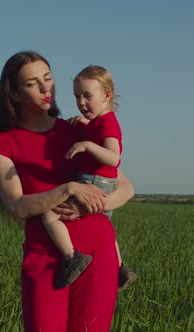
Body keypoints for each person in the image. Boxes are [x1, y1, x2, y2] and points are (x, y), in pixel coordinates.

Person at [0, 51, 135, 331]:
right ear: (14, 94)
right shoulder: (3, 143)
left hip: (98, 251)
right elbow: (17, 206)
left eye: (48, 78)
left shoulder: (79, 131)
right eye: (32, 83)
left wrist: (95, 203)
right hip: (45, 258)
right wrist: (69, 189)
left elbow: (126, 188)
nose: (45, 88)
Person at [41, 65, 138, 290]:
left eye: (87, 96)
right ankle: (120, 268)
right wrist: (87, 127)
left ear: (106, 96)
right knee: (104, 226)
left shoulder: (109, 123)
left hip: (94, 182)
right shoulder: (99, 122)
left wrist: (87, 145)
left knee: (49, 214)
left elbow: (114, 158)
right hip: (102, 183)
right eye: (77, 96)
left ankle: (71, 257)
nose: (81, 102)